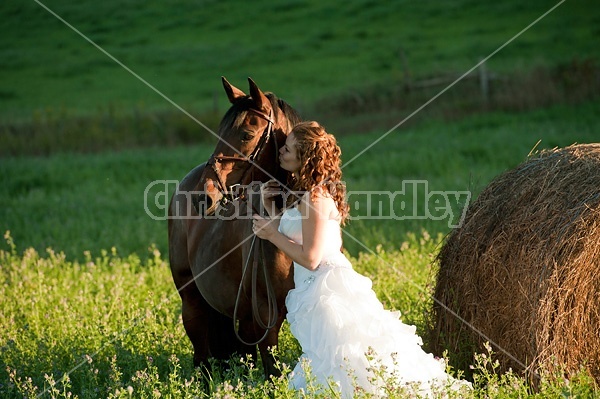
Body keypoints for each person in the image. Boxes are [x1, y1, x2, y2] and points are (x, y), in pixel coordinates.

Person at [252, 121, 470, 398]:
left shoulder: (315, 199)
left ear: (304, 158)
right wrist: (270, 206)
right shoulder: (307, 196)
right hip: (312, 288)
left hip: (327, 289)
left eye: (288, 148)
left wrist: (271, 234)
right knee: (335, 360)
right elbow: (296, 233)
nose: (281, 151)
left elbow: (310, 258)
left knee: (342, 360)